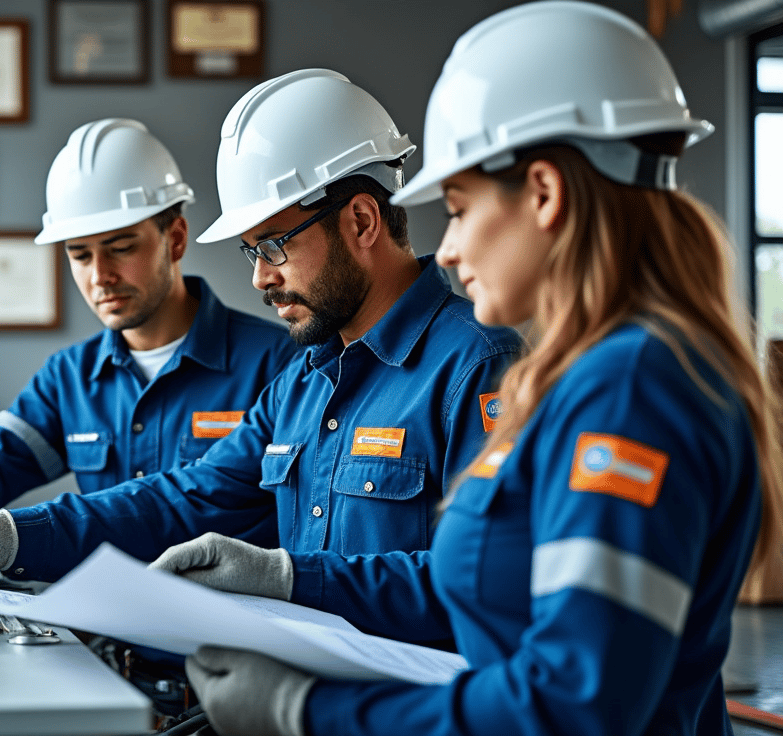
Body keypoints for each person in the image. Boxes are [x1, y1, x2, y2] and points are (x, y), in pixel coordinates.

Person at [152, 4, 783, 735]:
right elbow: (480, 580)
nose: (446, 250)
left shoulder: (633, 388)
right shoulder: (586, 377)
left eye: (458, 206)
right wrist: (289, 576)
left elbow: (578, 705)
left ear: (543, 194)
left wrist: (308, 710)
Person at [0, 70, 523, 595]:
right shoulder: (304, 379)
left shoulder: (477, 365)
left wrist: (288, 581)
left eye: (274, 245)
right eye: (251, 252)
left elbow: (485, 587)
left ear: (359, 221)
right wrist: (8, 533)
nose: (261, 278)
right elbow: (181, 499)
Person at [0, 118, 296, 534]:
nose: (99, 276)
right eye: (79, 255)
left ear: (175, 238)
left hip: (223, 636)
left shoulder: (278, 364)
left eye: (120, 247)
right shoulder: (70, 379)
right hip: (107, 637)